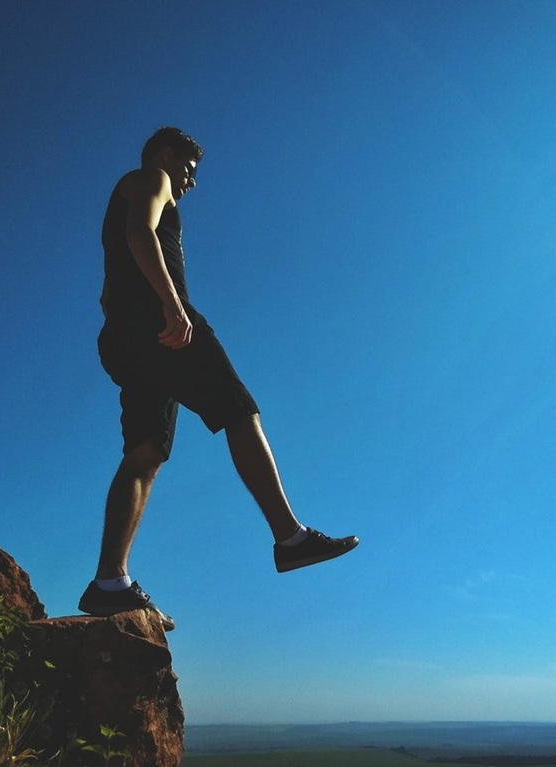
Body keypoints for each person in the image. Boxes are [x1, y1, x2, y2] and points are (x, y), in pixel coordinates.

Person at [78, 127, 358, 631]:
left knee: (145, 452)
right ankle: (290, 538)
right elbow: (141, 234)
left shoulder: (126, 194)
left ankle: (109, 583)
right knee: (238, 409)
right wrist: (171, 305)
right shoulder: (151, 178)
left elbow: (108, 286)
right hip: (160, 323)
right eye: (189, 169)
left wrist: (125, 322)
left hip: (124, 336)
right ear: (166, 154)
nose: (190, 181)